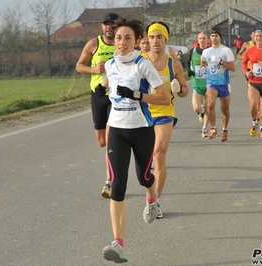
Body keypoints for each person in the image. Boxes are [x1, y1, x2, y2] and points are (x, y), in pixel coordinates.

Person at [100, 17, 170, 263]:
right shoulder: (109, 65)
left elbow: (164, 98)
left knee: (144, 177)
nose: (122, 42)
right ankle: (118, 244)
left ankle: (152, 197)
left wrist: (139, 95)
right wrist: (102, 91)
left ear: (136, 41)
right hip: (117, 130)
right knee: (117, 186)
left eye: (128, 38)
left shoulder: (143, 65)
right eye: (119, 37)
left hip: (141, 129)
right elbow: (108, 87)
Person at [142, 21, 189, 219]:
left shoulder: (173, 62)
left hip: (164, 111)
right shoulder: (140, 61)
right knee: (145, 161)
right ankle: (151, 196)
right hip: (143, 113)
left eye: (159, 37)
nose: (155, 41)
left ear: (165, 39)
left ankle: (156, 202)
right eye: (151, 37)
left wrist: (180, 89)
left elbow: (185, 91)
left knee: (159, 154)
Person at [75, 13, 119, 198]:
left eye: (112, 24)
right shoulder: (94, 44)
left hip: (116, 97)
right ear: (102, 27)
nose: (109, 27)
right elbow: (79, 65)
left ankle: (109, 182)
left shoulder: (122, 43)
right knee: (102, 142)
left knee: (110, 141)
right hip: (98, 94)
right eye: (106, 24)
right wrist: (94, 69)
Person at [201, 27, 236, 142]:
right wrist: (203, 65)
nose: (214, 38)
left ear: (220, 37)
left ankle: (224, 129)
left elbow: (233, 67)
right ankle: (213, 127)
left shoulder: (226, 51)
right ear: (210, 38)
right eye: (212, 36)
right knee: (210, 105)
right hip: (212, 83)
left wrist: (221, 62)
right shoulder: (206, 51)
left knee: (224, 109)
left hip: (224, 83)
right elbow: (203, 62)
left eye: (216, 35)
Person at [186, 32, 210, 137]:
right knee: (196, 107)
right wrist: (188, 71)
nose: (202, 40)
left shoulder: (211, 51)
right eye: (200, 38)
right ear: (198, 40)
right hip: (197, 82)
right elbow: (187, 62)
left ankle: (204, 129)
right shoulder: (193, 51)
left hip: (209, 83)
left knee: (209, 107)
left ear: (207, 40)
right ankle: (201, 112)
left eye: (204, 38)